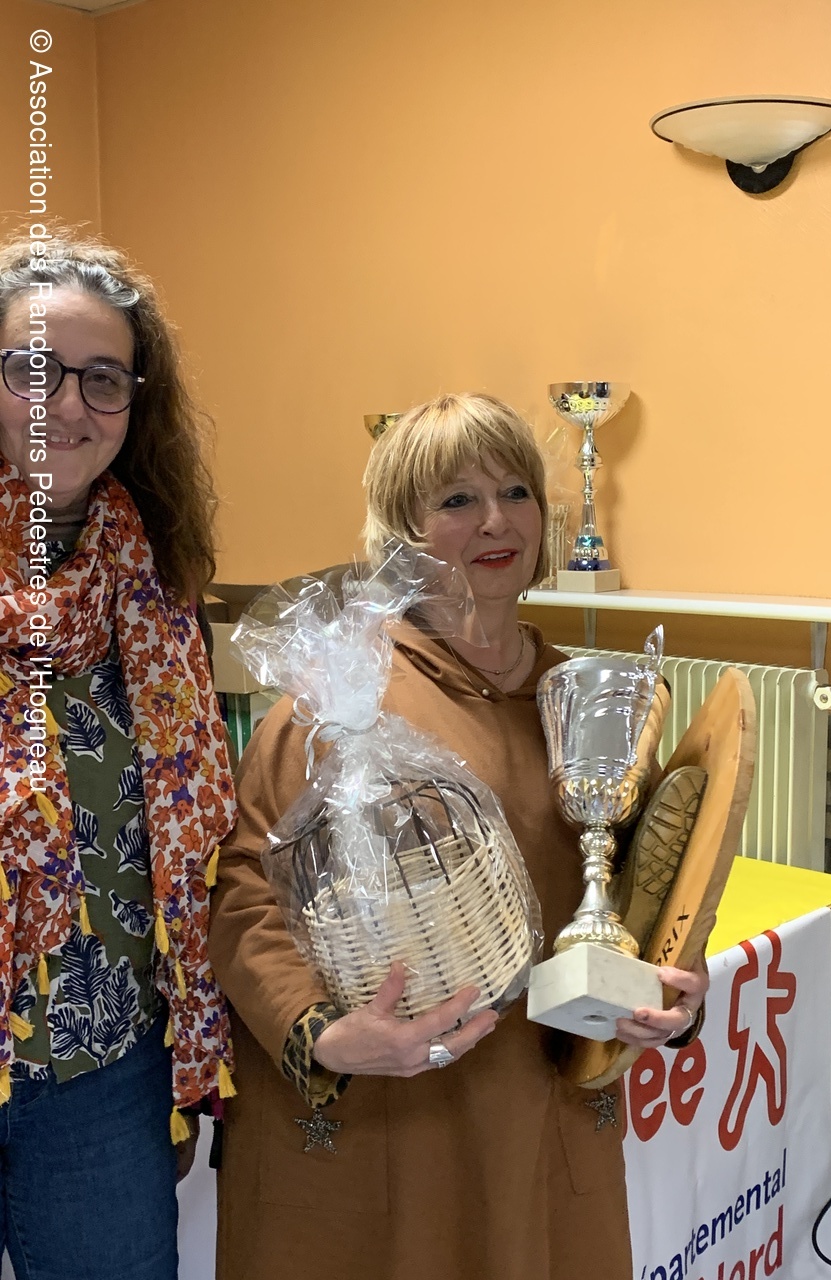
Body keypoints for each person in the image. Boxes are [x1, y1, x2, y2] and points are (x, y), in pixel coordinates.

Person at [209, 392, 708, 1280]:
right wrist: (322, 1034)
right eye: (456, 500)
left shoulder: (587, 699)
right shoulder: (341, 701)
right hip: (393, 1106)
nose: (496, 521)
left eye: (516, 492)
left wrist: (672, 984)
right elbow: (245, 888)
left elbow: (643, 888)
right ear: (399, 533)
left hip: (544, 1098)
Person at [0, 231, 235, 1280]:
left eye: (103, 379)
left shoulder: (160, 586)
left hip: (101, 1070)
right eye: (32, 369)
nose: (66, 404)